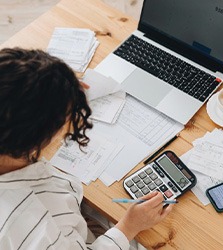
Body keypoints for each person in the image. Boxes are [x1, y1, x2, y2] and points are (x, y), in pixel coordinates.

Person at [0, 48, 173, 250]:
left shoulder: (12, 147)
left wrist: (61, 87)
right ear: (37, 136)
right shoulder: (30, 225)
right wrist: (128, 227)